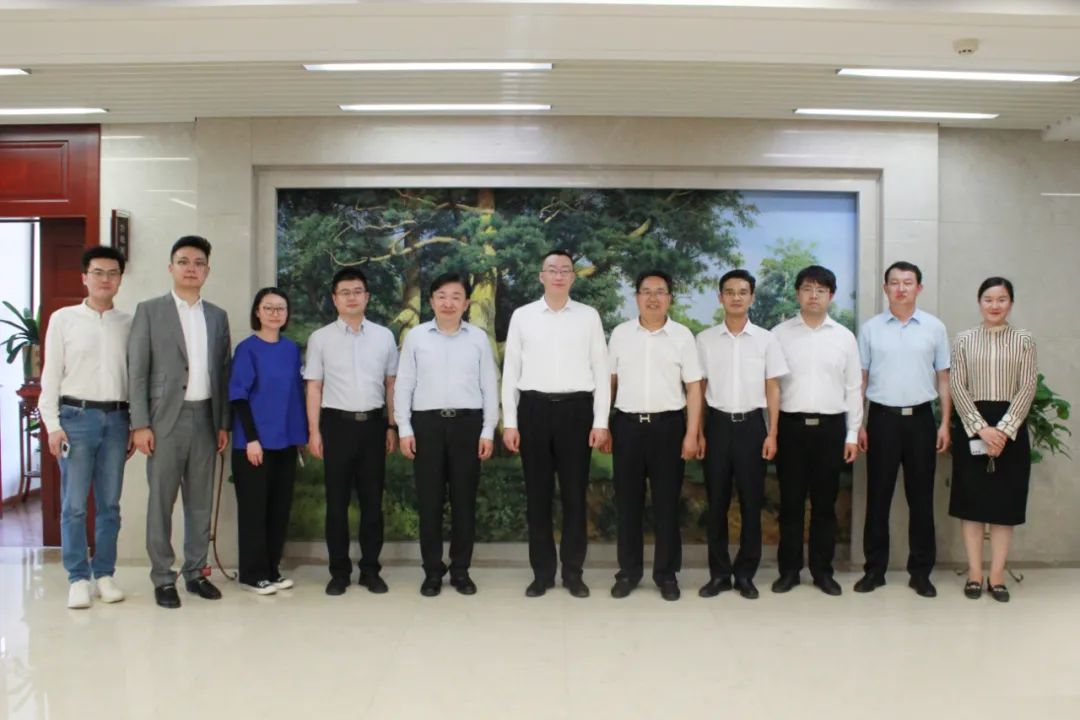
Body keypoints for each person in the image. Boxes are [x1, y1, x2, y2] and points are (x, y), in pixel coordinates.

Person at [129, 235, 232, 609]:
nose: (191, 268)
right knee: (161, 502)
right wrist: (140, 424)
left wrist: (223, 423)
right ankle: (162, 578)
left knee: (200, 503)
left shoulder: (217, 316)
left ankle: (195, 572)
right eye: (184, 261)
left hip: (206, 418)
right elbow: (137, 371)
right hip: (163, 421)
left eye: (199, 263)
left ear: (208, 270)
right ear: (171, 267)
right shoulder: (149, 311)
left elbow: (223, 371)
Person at [502, 249, 610, 599]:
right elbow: (510, 371)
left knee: (575, 497)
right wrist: (510, 422)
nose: (559, 275)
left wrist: (601, 421)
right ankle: (542, 574)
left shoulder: (589, 316)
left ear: (573, 277)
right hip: (533, 410)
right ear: (541, 276)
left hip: (576, 411)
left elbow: (601, 370)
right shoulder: (523, 316)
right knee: (538, 497)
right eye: (552, 270)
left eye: (565, 270)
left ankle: (573, 573)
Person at [39, 246, 133, 609]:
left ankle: (104, 574)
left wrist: (135, 424)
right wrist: (52, 425)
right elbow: (51, 375)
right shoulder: (64, 319)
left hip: (117, 420)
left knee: (110, 504)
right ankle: (77, 577)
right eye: (98, 272)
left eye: (112, 273)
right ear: (84, 277)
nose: (105, 279)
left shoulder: (129, 323)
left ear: (120, 279)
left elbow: (136, 377)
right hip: (75, 419)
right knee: (74, 504)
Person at [394, 273, 499, 597]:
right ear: (431, 301)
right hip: (427, 426)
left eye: (456, 296)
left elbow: (489, 384)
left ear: (466, 303)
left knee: (464, 502)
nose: (448, 303)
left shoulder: (478, 338)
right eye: (441, 296)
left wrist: (488, 430)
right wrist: (404, 428)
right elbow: (404, 384)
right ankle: (432, 571)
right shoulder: (417, 337)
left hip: (467, 425)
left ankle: (461, 571)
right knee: (430, 503)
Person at [855, 261, 951, 598]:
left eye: (907, 282)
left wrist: (944, 423)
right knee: (877, 498)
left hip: (921, 421)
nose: (900, 288)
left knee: (921, 500)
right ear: (885, 288)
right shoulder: (870, 329)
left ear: (918, 288)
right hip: (881, 420)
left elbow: (943, 379)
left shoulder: (935, 328)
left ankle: (921, 573)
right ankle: (874, 571)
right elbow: (860, 380)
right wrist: (858, 424)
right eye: (894, 282)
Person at [605, 270, 703, 601]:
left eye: (660, 291)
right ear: (636, 297)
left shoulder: (682, 336)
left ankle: (666, 574)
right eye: (646, 291)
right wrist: (603, 424)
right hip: (627, 427)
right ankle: (628, 573)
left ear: (669, 298)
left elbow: (694, 388)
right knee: (627, 504)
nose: (653, 298)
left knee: (666, 505)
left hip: (668, 428)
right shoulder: (621, 334)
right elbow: (610, 383)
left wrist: (692, 433)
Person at [695, 269, 788, 600]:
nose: (736, 297)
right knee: (716, 504)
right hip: (717, 426)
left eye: (743, 292)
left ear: (752, 297)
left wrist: (772, 433)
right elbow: (699, 388)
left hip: (752, 427)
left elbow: (773, 387)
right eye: (730, 292)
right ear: (720, 297)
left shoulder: (766, 339)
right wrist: (698, 433)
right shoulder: (705, 340)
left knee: (751, 504)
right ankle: (719, 574)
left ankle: (746, 574)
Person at [305, 268, 398, 596]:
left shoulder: (384, 337)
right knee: (337, 504)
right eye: (344, 292)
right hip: (336, 426)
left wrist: (391, 425)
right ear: (334, 299)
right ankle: (339, 572)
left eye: (358, 291)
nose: (352, 297)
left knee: (373, 503)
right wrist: (314, 432)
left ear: (367, 297)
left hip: (374, 426)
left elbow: (391, 384)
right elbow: (314, 387)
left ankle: (370, 570)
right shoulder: (320, 338)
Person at [771, 266, 861, 597]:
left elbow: (853, 388)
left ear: (831, 296)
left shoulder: (844, 337)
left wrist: (852, 434)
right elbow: (771, 387)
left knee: (825, 505)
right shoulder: (779, 334)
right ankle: (789, 571)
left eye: (821, 290)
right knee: (791, 504)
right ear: (797, 293)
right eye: (807, 289)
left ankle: (823, 572)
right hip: (791, 428)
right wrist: (771, 432)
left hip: (830, 429)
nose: (813, 296)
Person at [949, 277, 1037, 603]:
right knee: (972, 504)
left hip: (1011, 429)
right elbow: (957, 386)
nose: (994, 305)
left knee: (1004, 506)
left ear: (1011, 303)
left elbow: (1027, 387)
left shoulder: (1024, 340)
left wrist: (1003, 430)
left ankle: (996, 576)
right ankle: (975, 573)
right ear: (979, 302)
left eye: (1001, 299)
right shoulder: (963, 340)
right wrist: (980, 428)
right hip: (973, 426)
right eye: (988, 299)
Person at [229, 288, 308, 595]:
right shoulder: (247, 349)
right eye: (269, 307)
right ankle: (252, 574)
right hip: (254, 445)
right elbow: (238, 396)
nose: (275, 313)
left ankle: (272, 570)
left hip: (286, 442)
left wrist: (299, 437)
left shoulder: (291, 350)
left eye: (281, 308)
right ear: (257, 312)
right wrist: (251, 438)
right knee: (254, 511)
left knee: (279, 510)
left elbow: (295, 396)